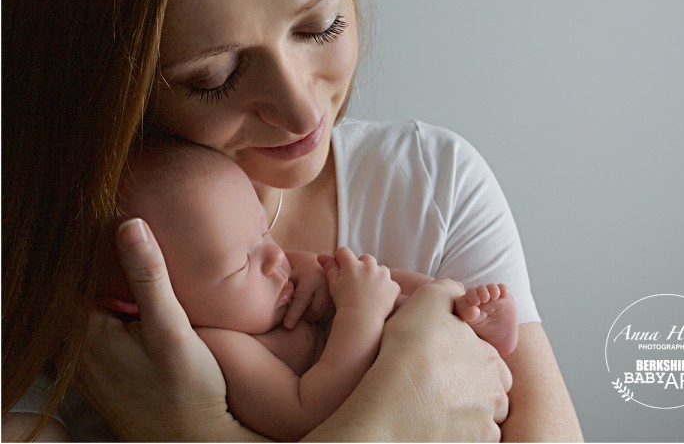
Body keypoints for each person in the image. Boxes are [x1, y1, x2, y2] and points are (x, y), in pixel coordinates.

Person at [2, 0, 582, 442]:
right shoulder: (55, 287)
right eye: (214, 78)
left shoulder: (433, 180)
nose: (303, 113)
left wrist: (196, 431)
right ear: (110, 89)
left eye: (320, 24)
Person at [100, 137, 519, 441]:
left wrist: (345, 283)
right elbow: (307, 412)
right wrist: (359, 314)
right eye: (240, 263)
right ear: (150, 303)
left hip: (435, 389)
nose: (274, 257)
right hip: (389, 415)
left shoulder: (276, 276)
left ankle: (469, 317)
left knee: (379, 282)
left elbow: (368, 279)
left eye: (264, 232)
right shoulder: (219, 346)